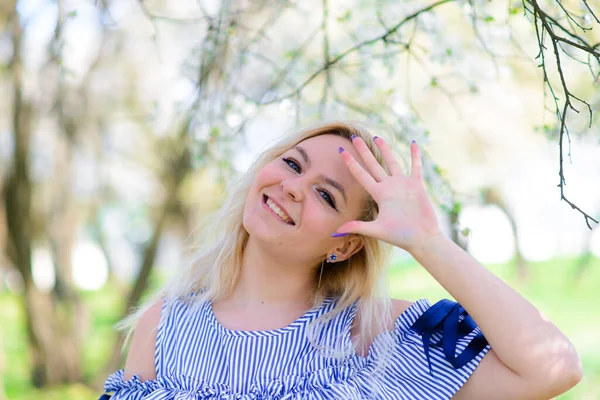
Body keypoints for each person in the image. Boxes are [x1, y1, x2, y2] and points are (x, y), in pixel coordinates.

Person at [100, 121, 582, 399]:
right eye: (292, 164)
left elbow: (553, 367)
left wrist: (429, 241)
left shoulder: (379, 340)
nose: (292, 187)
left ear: (345, 244)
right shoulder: (166, 325)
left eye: (325, 196)